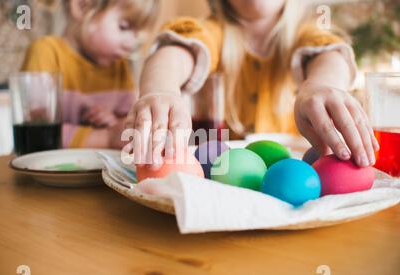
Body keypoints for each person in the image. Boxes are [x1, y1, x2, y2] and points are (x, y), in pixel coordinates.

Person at [125, 0, 379, 168]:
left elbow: (329, 55)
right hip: (219, 183)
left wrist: (321, 84)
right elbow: (176, 51)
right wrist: (161, 88)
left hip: (288, 178)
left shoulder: (307, 32)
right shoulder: (213, 31)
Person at [22, 0, 160, 148]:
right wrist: (106, 137)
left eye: (136, 34)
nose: (131, 44)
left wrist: (113, 121)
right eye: (123, 27)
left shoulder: (120, 67)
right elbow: (37, 132)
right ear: (83, 7)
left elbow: (126, 124)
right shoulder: (45, 52)